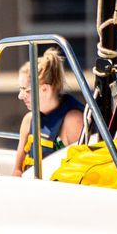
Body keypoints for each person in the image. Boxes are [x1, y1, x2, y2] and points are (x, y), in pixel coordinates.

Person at [13, 47, 87, 176]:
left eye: (26, 90)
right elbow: (17, 170)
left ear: (45, 89)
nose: (20, 96)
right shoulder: (29, 120)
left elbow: (82, 174)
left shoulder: (73, 121)